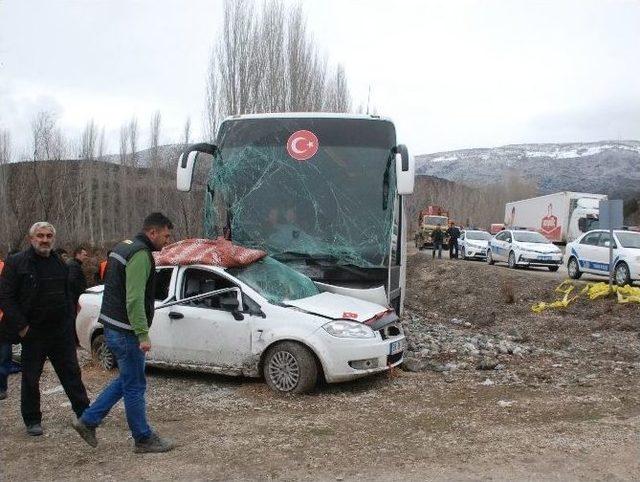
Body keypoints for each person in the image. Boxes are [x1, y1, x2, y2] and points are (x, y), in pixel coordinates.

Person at [73, 212, 175, 453]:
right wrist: (142, 334)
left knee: (127, 380)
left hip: (113, 325)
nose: (167, 241)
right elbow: (134, 298)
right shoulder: (140, 254)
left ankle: (88, 421)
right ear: (153, 232)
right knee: (135, 386)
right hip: (126, 331)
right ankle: (143, 438)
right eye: (165, 235)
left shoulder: (124, 246)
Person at [0, 222, 90, 436]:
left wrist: (70, 321)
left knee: (71, 373)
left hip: (60, 331)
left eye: (49, 235)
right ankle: (32, 420)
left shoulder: (59, 262)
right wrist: (22, 327)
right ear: (31, 239)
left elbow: (67, 293)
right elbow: (5, 296)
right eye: (40, 235)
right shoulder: (17, 262)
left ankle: (85, 413)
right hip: (33, 332)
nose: (44, 239)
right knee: (31, 377)